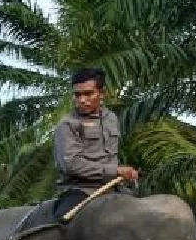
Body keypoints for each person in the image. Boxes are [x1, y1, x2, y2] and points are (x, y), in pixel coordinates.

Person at [52, 67, 140, 220]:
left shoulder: (111, 118)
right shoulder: (67, 124)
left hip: (114, 187)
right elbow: (71, 164)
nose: (82, 100)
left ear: (102, 93)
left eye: (88, 94)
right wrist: (116, 171)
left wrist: (127, 173)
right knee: (65, 223)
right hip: (81, 190)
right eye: (77, 95)